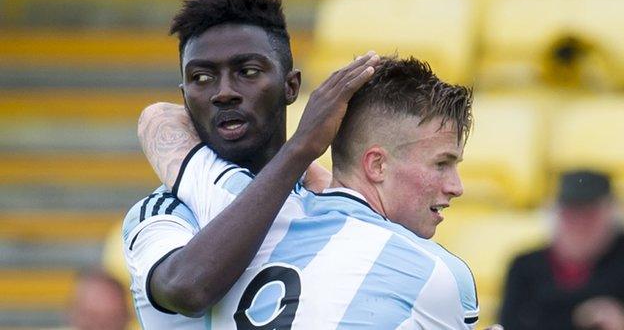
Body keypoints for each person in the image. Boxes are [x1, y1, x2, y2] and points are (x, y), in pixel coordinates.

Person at [138, 56, 482, 328]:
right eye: (442, 164)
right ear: (376, 165)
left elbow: (160, 118)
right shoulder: (440, 274)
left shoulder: (249, 211)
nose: (456, 187)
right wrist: (305, 159)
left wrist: (309, 165)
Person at [122, 0, 380, 327]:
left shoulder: (326, 198)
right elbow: (187, 289)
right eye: (202, 77)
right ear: (185, 97)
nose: (223, 92)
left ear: (290, 86)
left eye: (247, 72)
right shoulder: (164, 211)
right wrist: (301, 147)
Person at [499, 170, 624, 330]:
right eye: (571, 215)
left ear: (610, 217)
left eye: (589, 215)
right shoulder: (525, 266)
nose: (579, 226)